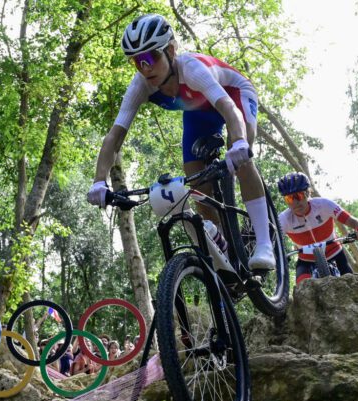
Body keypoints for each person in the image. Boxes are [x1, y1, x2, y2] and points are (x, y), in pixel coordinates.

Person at [86, 13, 274, 269]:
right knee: (197, 185)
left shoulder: (192, 70)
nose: (144, 68)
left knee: (240, 156)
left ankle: (264, 243)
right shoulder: (140, 85)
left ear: (171, 51)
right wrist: (99, 181)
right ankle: (225, 251)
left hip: (233, 94)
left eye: (149, 57)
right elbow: (114, 136)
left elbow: (229, 108)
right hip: (198, 111)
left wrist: (240, 142)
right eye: (136, 62)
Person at [276, 172, 358, 284]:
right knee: (301, 287)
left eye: (299, 196)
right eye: (290, 199)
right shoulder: (283, 219)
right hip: (306, 259)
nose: (296, 202)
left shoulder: (324, 205)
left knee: (351, 284)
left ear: (308, 193)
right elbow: (272, 240)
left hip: (334, 253)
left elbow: (352, 221)